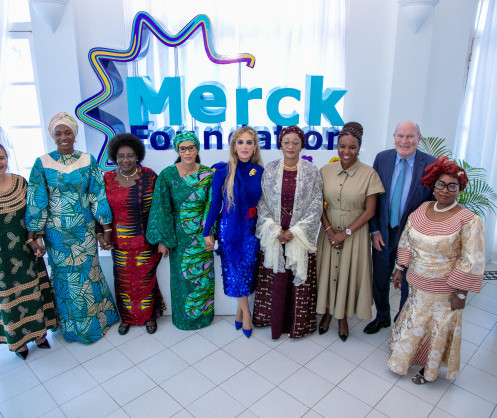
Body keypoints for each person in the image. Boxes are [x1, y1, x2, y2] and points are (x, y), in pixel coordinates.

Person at [387, 156, 485, 384]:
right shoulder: (423, 208)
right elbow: (407, 239)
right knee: (413, 321)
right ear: (432, 185)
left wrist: (461, 294)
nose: (445, 190)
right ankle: (405, 356)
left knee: (436, 331)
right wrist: (399, 268)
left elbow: (471, 259)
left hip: (444, 291)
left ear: (460, 189)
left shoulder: (469, 220)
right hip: (416, 285)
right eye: (440, 184)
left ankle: (427, 370)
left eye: (452, 186)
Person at [25, 112, 118, 344]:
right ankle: (72, 328)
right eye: (58, 133)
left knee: (89, 275)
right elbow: (37, 200)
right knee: (65, 279)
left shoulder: (87, 160)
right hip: (56, 235)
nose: (63, 137)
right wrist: (34, 235)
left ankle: (96, 323)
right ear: (53, 136)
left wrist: (106, 229)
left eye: (68, 132)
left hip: (84, 231)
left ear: (74, 134)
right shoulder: (42, 163)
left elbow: (97, 195)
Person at [364, 120, 436, 335]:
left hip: (412, 236)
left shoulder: (430, 164)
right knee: (380, 279)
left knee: (407, 282)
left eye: (410, 136)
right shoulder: (382, 158)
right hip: (384, 232)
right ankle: (382, 317)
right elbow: (372, 197)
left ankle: (402, 324)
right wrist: (374, 230)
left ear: (418, 139)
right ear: (394, 137)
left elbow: (432, 203)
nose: (405, 141)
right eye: (400, 136)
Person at [316, 122, 384, 341]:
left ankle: (343, 317)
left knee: (348, 273)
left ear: (359, 147)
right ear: (337, 146)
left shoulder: (369, 174)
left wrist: (343, 234)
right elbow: (318, 204)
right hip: (328, 230)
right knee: (327, 272)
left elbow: (370, 211)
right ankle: (327, 312)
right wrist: (330, 231)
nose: (346, 152)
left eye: (352, 147)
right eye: (342, 146)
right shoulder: (325, 171)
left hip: (355, 233)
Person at [253, 126, 323, 339]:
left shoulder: (311, 171)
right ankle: (272, 321)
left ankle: (298, 325)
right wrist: (276, 230)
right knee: (276, 279)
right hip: (275, 235)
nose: (291, 146)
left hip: (298, 236)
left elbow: (316, 204)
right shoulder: (270, 169)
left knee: (297, 280)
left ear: (302, 145)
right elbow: (262, 201)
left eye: (295, 142)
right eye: (286, 142)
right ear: (280, 144)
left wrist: (295, 231)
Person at [146, 132, 215, 330]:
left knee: (202, 279)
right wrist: (163, 240)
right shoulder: (167, 175)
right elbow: (161, 208)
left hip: (202, 237)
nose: (187, 152)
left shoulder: (208, 174)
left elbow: (211, 206)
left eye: (191, 148)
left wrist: (209, 234)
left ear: (197, 149)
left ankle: (204, 318)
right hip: (178, 238)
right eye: (183, 149)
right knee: (182, 280)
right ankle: (183, 320)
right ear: (177, 150)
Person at [203, 126, 264, 338]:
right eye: (240, 142)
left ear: (254, 147)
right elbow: (215, 205)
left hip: (251, 228)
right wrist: (206, 231)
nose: (244, 146)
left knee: (247, 270)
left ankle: (239, 312)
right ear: (234, 146)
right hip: (229, 228)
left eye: (249, 142)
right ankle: (246, 314)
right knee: (235, 271)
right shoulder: (223, 171)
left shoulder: (259, 172)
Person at [0, 144, 59, 359]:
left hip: (26, 250)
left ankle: (40, 336)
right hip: (2, 260)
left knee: (34, 291)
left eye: (1, 157)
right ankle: (19, 343)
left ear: (7, 158)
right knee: (9, 300)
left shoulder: (20, 183)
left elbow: (33, 213)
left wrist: (36, 238)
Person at [102, 133, 165, 335]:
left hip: (146, 241)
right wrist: (102, 235)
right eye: (121, 156)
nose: (125, 160)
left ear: (138, 156)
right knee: (123, 283)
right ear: (115, 157)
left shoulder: (149, 176)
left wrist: (162, 239)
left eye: (130, 155)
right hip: (119, 243)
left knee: (146, 281)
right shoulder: (107, 178)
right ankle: (127, 318)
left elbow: (160, 208)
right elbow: (101, 209)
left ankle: (149, 316)